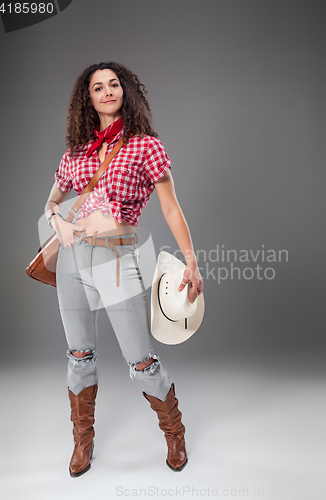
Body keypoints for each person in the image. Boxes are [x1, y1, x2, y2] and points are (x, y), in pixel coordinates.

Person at [44, 61, 204, 478]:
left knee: (141, 361)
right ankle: (83, 441)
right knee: (79, 355)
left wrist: (191, 259)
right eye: (98, 87)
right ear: (89, 98)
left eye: (114, 84)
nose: (108, 91)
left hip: (116, 258)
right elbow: (52, 203)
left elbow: (171, 207)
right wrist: (57, 220)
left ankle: (174, 432)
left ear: (125, 91)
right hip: (73, 261)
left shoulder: (145, 146)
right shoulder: (76, 152)